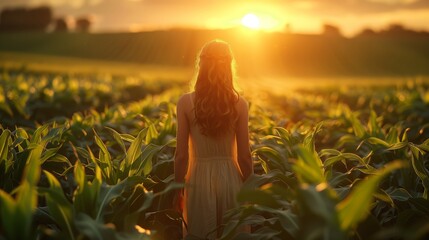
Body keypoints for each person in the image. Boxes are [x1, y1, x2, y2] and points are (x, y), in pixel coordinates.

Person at [174, 39, 253, 239]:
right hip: (231, 180)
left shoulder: (185, 102)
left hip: (197, 180)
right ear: (229, 66)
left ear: (201, 65)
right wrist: (251, 190)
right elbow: (244, 156)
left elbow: (181, 156)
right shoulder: (240, 105)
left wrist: (176, 190)